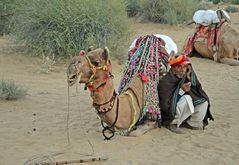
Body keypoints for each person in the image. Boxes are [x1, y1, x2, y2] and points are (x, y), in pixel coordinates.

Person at [157, 55, 214, 133]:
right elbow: (165, 105)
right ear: (173, 68)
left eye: (185, 67)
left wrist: (190, 78)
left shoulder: (186, 77)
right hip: (169, 114)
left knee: (203, 101)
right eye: (179, 67)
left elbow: (197, 91)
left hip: (183, 111)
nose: (182, 70)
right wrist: (181, 91)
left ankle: (193, 123)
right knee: (187, 99)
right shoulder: (165, 81)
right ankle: (173, 124)